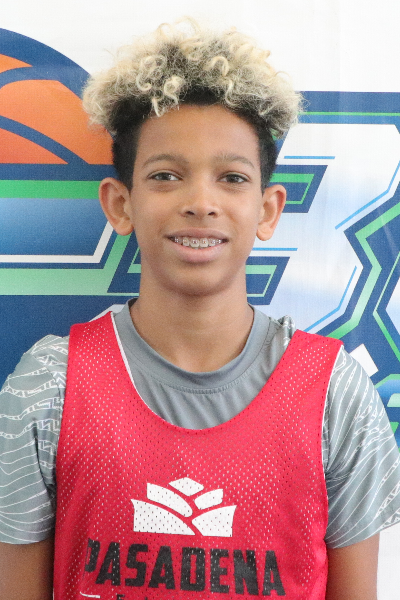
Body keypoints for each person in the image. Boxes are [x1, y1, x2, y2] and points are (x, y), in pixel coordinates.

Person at [0, 18, 399, 600]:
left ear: (268, 210)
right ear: (120, 203)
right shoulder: (48, 386)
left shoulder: (335, 394)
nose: (201, 202)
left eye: (231, 177)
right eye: (166, 176)